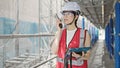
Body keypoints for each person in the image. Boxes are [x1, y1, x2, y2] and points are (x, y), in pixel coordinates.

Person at [51, 2, 91, 68]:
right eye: (64, 14)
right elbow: (54, 51)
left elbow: (88, 55)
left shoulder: (84, 34)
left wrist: (80, 56)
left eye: (69, 13)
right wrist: (59, 30)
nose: (65, 16)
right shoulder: (60, 32)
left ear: (76, 16)